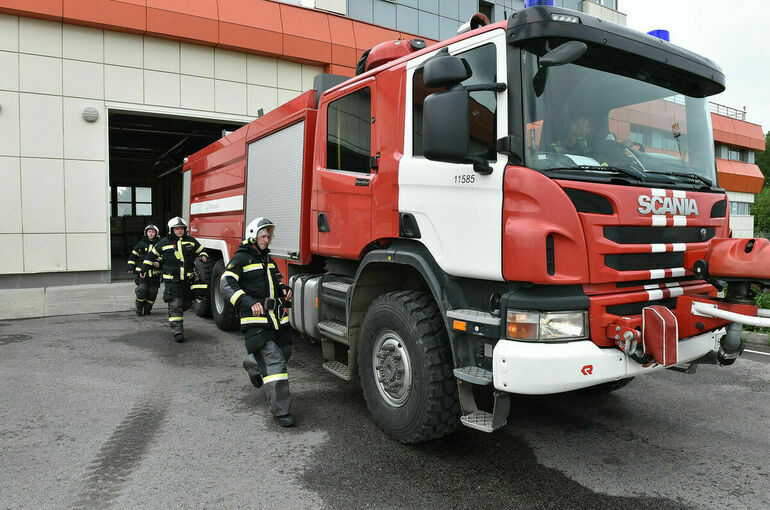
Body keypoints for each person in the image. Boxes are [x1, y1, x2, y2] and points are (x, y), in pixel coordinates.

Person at [220, 217, 295, 427]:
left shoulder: (266, 258)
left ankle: (253, 365)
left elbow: (275, 282)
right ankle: (281, 412)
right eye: (263, 235)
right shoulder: (241, 258)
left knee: (285, 351)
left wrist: (284, 290)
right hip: (255, 320)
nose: (267, 239)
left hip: (275, 319)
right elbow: (226, 285)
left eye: (269, 235)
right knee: (275, 362)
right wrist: (247, 301)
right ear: (253, 235)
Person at [142, 217, 208, 342]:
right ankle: (178, 332)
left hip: (188, 280)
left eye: (181, 228)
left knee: (187, 303)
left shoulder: (191, 241)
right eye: (177, 229)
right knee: (176, 304)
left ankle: (173, 310)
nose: (179, 231)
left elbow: (202, 250)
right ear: (171, 230)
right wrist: (143, 270)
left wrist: (203, 255)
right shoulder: (163, 242)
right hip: (172, 281)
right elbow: (150, 256)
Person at [127, 224, 161, 316]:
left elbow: (165, 257)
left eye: (153, 232)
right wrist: (130, 267)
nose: (151, 234)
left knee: (152, 293)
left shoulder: (160, 244)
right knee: (142, 290)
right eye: (149, 232)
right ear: (146, 233)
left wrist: (159, 263)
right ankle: (139, 308)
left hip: (154, 274)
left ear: (156, 233)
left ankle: (147, 309)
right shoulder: (141, 244)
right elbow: (133, 256)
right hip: (143, 274)